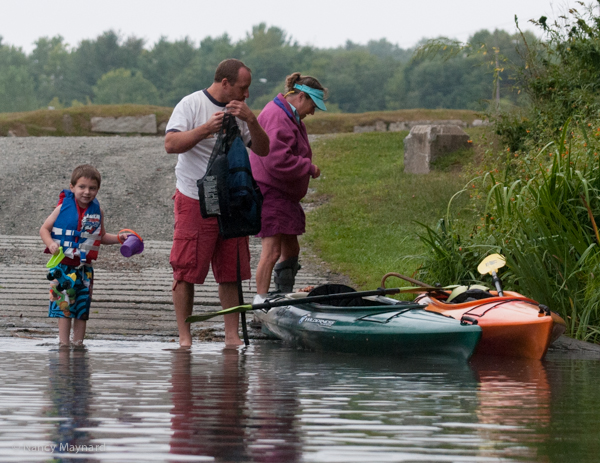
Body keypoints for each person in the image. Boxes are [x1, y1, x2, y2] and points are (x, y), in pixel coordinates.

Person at [164, 58, 270, 347]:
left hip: (232, 200)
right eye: (243, 87)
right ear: (225, 83)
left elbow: (263, 149)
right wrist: (205, 129)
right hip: (193, 197)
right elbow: (171, 144)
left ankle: (232, 336)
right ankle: (185, 338)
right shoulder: (191, 104)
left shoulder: (242, 111)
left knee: (231, 269)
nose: (247, 94)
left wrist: (251, 120)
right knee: (186, 269)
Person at [250, 72, 327, 295]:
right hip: (271, 192)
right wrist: (308, 168)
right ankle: (262, 303)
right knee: (271, 252)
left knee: (290, 248)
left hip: (284, 195)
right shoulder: (277, 116)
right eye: (313, 105)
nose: (313, 111)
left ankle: (282, 296)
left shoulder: (289, 115)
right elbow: (276, 160)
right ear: (301, 97)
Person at [40, 164, 129, 347]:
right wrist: (51, 244)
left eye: (92, 188)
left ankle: (78, 344)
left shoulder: (98, 212)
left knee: (81, 309)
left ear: (98, 189)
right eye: (82, 187)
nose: (87, 192)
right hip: (62, 267)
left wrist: (119, 238)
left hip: (85, 270)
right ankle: (64, 344)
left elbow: (101, 237)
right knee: (64, 307)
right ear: (72, 187)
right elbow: (44, 229)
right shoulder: (63, 207)